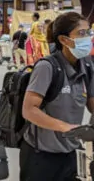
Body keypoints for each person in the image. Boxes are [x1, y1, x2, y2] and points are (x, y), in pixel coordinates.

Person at [20, 12, 94, 180]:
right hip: (40, 156)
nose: (88, 38)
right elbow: (29, 110)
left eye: (89, 32)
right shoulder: (47, 67)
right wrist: (65, 127)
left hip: (71, 152)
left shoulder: (87, 66)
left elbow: (92, 104)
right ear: (64, 40)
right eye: (82, 33)